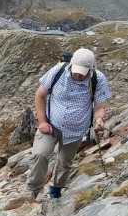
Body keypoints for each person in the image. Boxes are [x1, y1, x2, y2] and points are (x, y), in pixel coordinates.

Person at [27, 47, 111, 201]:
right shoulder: (58, 71)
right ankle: (34, 190)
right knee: (40, 154)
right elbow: (39, 95)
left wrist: (99, 120)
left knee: (64, 162)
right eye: (75, 70)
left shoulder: (98, 79)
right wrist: (42, 122)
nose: (78, 74)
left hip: (76, 131)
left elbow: (99, 107)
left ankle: (56, 190)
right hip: (51, 125)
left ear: (91, 69)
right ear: (71, 64)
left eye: (82, 72)